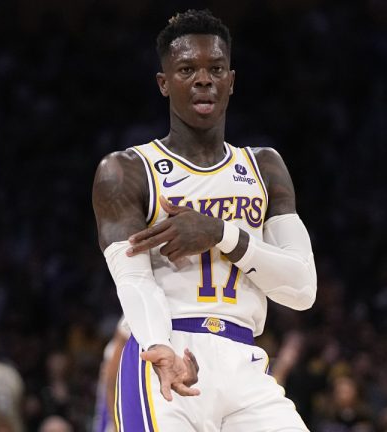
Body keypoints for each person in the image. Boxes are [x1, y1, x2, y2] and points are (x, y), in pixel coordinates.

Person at [91, 9, 317, 431]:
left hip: (245, 361)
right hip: (167, 353)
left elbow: (302, 289)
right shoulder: (126, 170)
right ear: (164, 83)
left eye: (215, 68)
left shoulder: (264, 167)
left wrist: (221, 233)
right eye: (186, 69)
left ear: (231, 80)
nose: (202, 79)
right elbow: (133, 280)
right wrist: (159, 346)